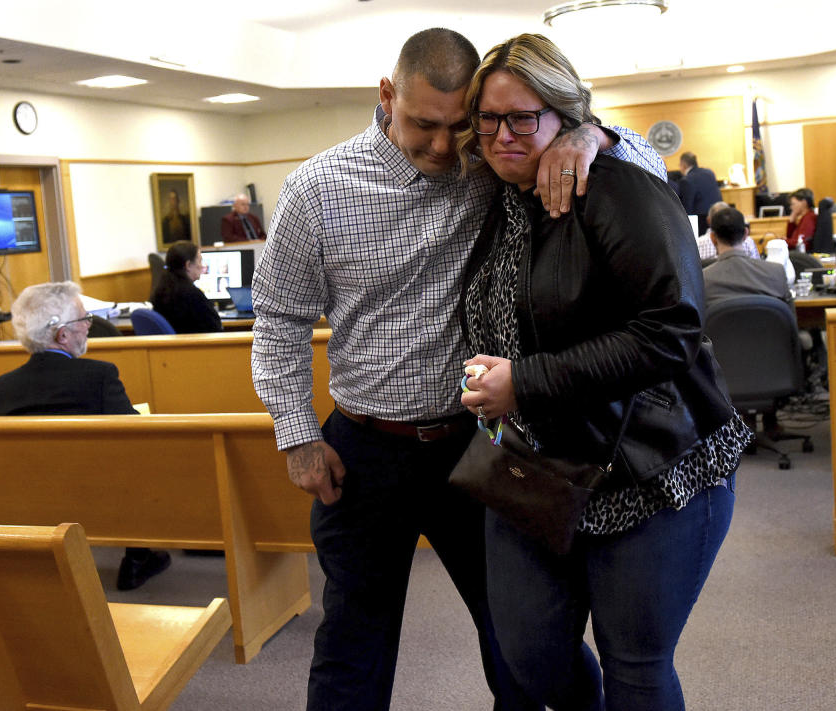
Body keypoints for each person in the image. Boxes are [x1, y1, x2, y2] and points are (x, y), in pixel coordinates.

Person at [251, 27, 666, 711]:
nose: (444, 147)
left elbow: (645, 170)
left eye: (457, 126)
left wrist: (590, 136)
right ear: (387, 96)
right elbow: (279, 319)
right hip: (366, 444)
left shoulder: (492, 163)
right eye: (423, 124)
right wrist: (296, 436)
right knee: (353, 636)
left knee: (523, 634)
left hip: (476, 443)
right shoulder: (317, 189)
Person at [455, 34, 750, 711]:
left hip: (651, 466)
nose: (502, 135)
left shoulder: (618, 188)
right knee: (530, 652)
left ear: (566, 116)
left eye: (522, 117)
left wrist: (523, 381)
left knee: (636, 664)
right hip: (537, 466)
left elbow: (671, 330)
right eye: (489, 119)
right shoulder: (496, 203)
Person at [0, 281, 171, 590]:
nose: (89, 326)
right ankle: (136, 556)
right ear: (62, 334)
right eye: (83, 320)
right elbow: (137, 438)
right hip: (101, 500)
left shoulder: (2, 388)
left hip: (27, 505)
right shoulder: (99, 375)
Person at [702, 207, 794, 310]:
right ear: (746, 234)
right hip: (765, 326)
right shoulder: (776, 272)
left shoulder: (703, 280)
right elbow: (790, 320)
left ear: (713, 238)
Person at [151, 240, 223, 333]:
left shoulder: (160, 290)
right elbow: (216, 327)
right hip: (198, 345)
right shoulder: (192, 294)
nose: (202, 266)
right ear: (188, 265)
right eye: (200, 261)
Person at [677, 150, 722, 235]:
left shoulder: (686, 180)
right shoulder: (710, 172)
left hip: (701, 222)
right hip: (718, 214)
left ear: (684, 165)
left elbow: (687, 207)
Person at [785, 187, 816, 252]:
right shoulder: (805, 217)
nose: (791, 207)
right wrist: (792, 220)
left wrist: (783, 241)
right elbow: (790, 237)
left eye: (793, 204)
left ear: (804, 203)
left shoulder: (809, 218)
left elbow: (801, 242)